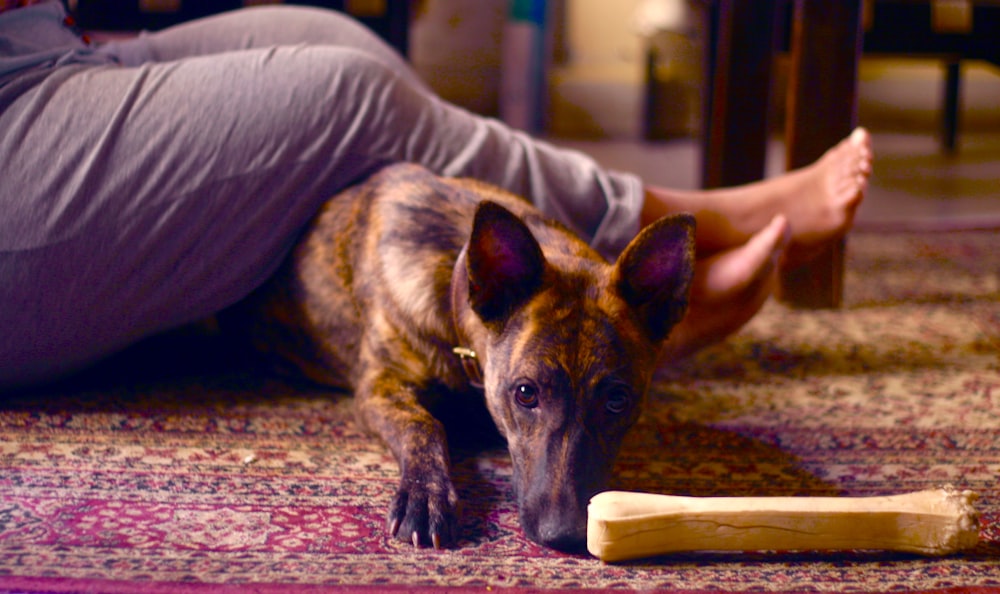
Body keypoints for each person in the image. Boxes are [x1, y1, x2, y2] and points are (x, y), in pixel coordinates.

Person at [0, 1, 872, 390]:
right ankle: (658, 271)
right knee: (348, 97)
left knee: (333, 38)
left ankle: (587, 308)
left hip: (39, 44)